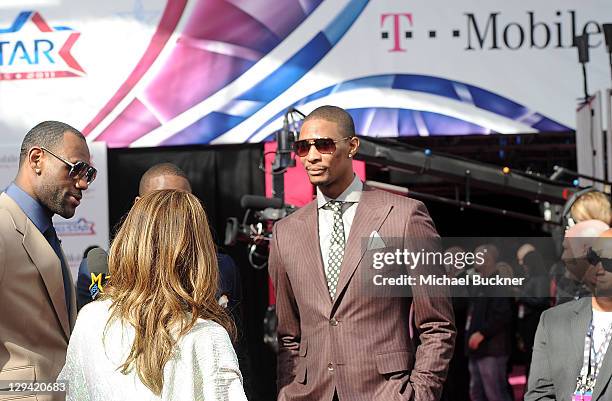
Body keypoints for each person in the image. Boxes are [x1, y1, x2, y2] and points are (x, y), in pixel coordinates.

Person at [269, 105, 456, 401]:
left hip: (384, 393)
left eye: (324, 145)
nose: (312, 156)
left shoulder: (404, 217)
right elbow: (289, 336)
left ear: (352, 146)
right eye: (303, 147)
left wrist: (420, 394)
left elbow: (437, 324)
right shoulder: (284, 233)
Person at [75, 162, 252, 396]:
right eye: (160, 204)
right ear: (139, 208)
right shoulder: (94, 316)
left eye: (178, 205)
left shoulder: (209, 333)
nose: (169, 218)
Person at [0, 121, 94, 400]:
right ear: (36, 159)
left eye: (90, 173)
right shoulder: (3, 225)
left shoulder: (44, 232)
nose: (83, 183)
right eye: (76, 168)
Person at [525, 219, 612, 401]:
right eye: (594, 259)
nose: (599, 268)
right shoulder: (552, 319)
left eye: (609, 262)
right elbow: (539, 393)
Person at [465, 244, 514, 401]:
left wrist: (482, 333)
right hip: (478, 349)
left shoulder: (497, 283)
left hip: (492, 349)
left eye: (476, 257)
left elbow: (503, 314)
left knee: (495, 393)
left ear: (487, 260)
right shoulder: (480, 283)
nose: (473, 261)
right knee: (478, 392)